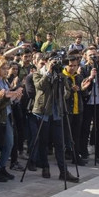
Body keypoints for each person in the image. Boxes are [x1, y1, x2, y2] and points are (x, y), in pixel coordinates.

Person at [32, 54, 78, 182]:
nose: (54, 64)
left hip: (57, 112)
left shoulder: (61, 75)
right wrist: (49, 73)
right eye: (52, 61)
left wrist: (64, 91)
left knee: (59, 143)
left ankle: (63, 172)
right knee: (43, 141)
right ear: (46, 62)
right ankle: (45, 167)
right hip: (43, 112)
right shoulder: (38, 73)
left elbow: (68, 92)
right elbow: (40, 86)